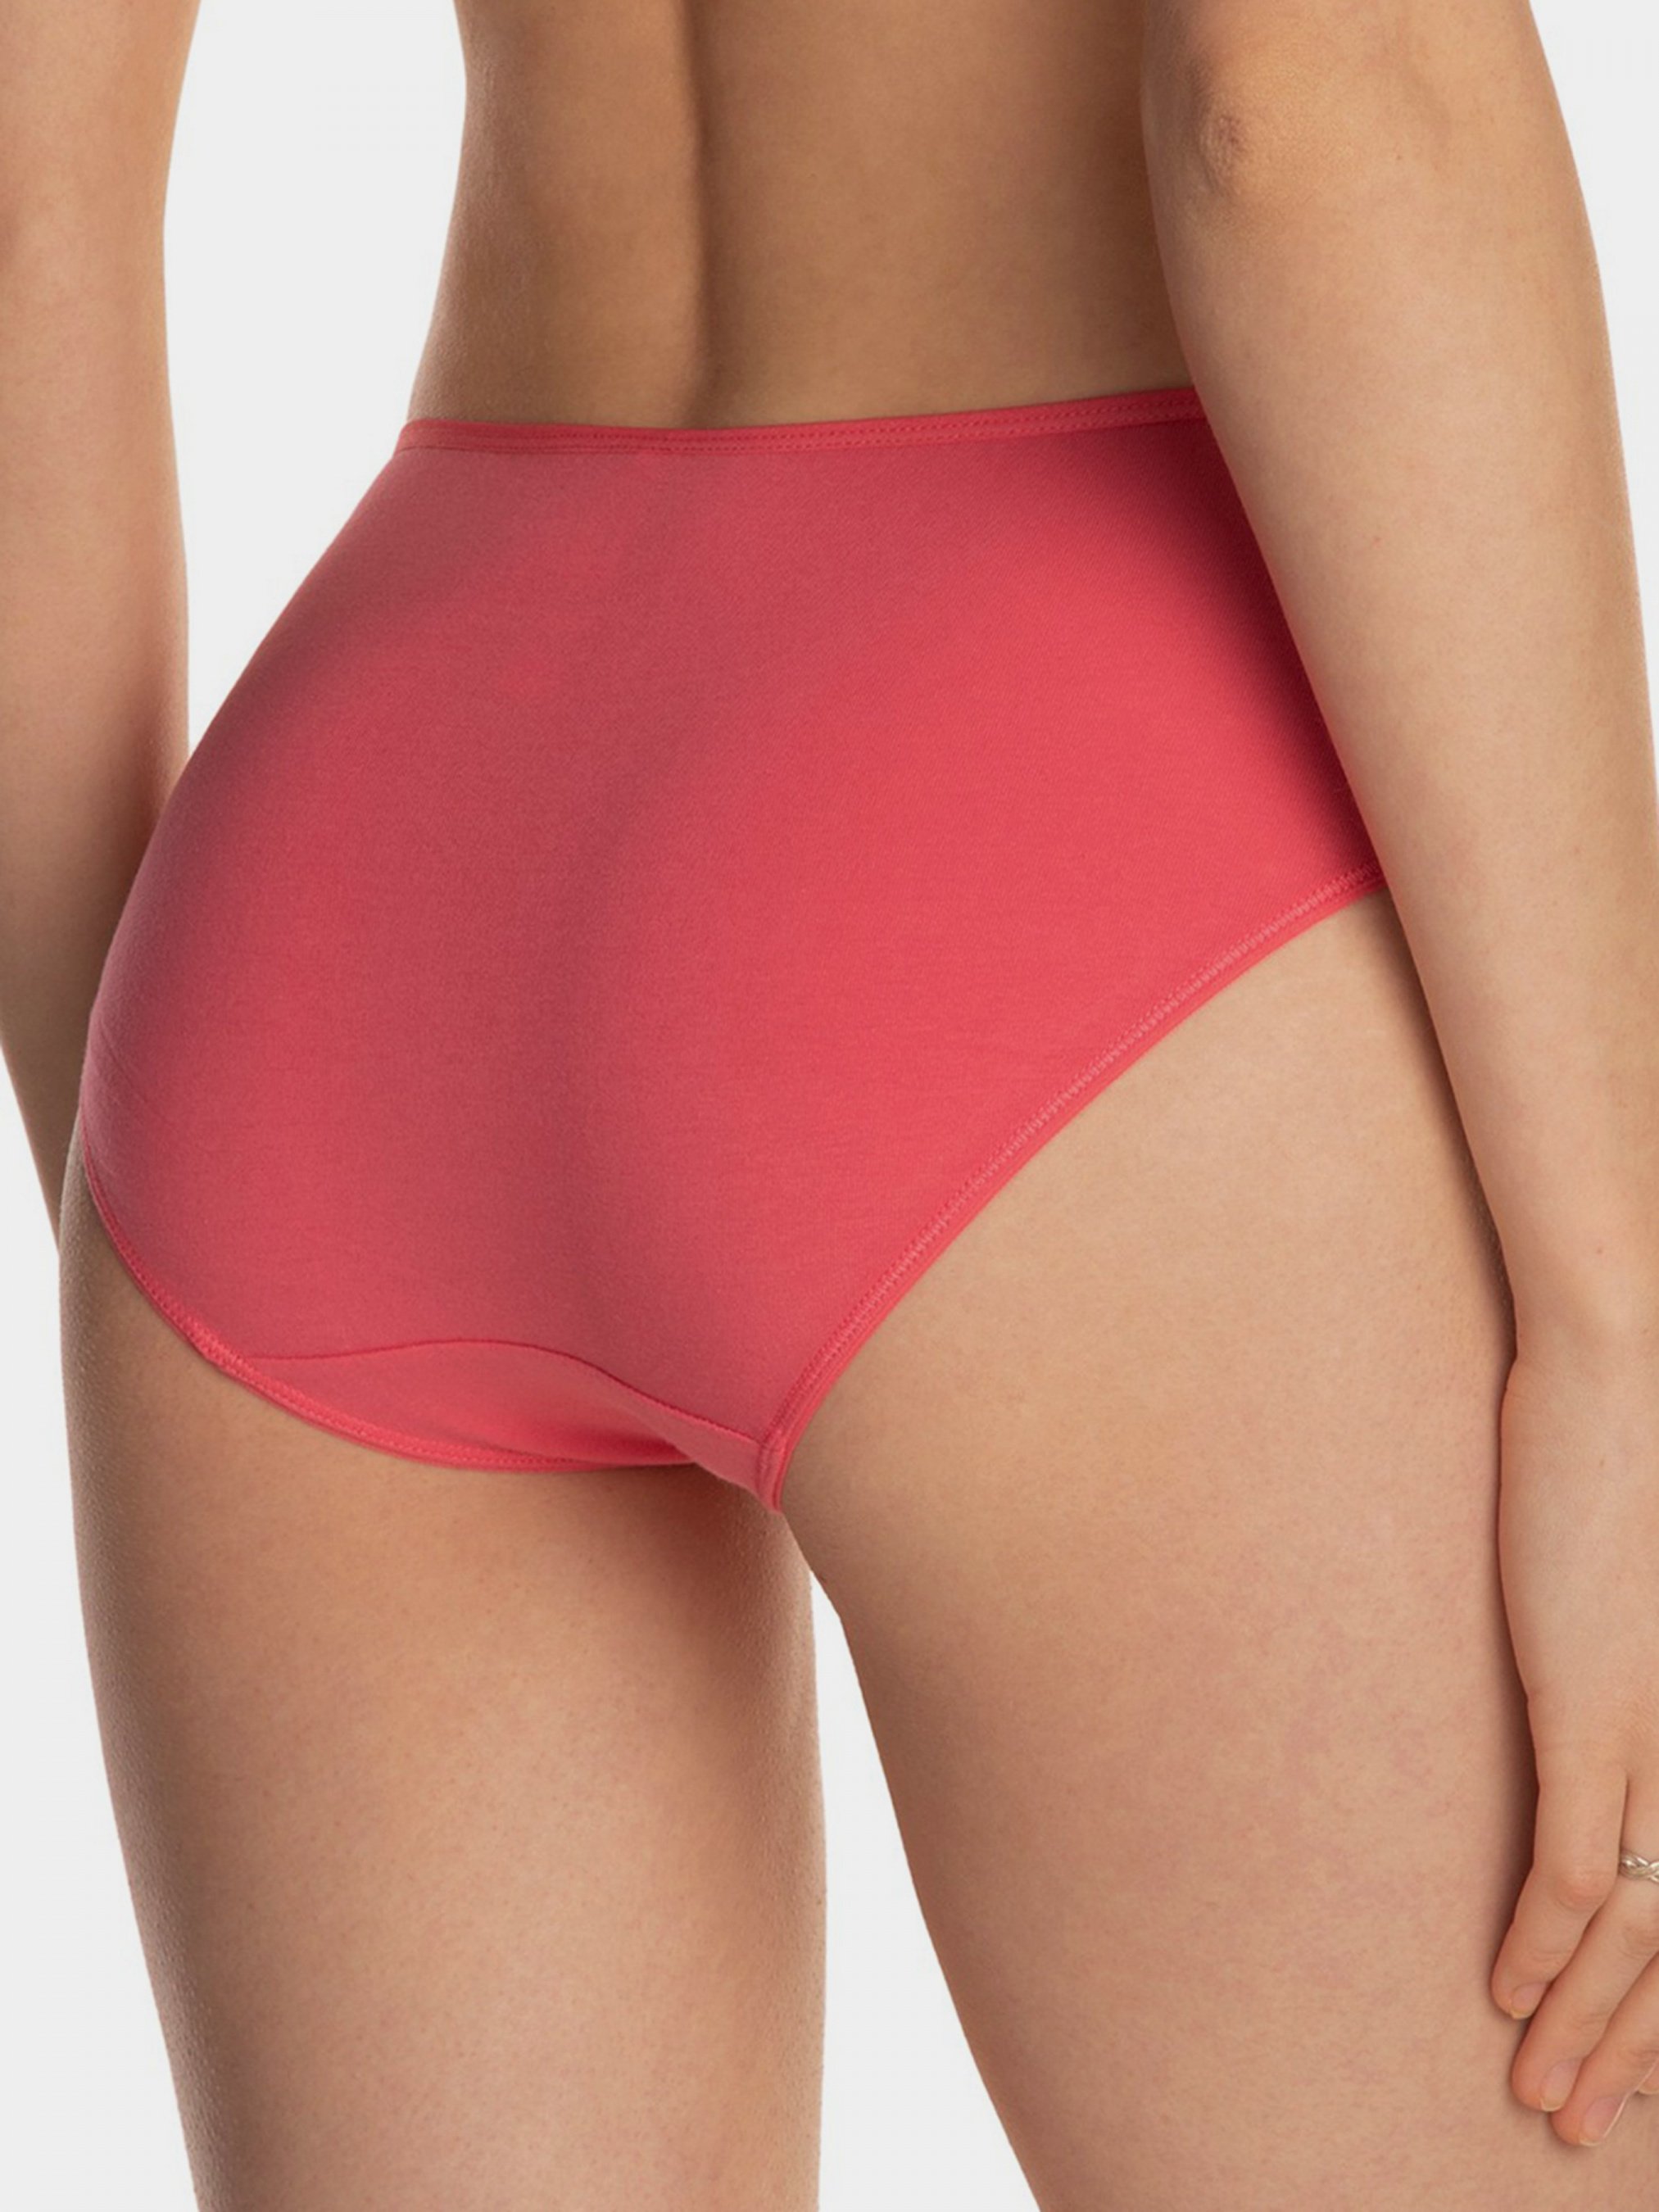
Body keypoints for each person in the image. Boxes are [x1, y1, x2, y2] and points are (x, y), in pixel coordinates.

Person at [4, 0, 1657, 2201]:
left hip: (343, 880)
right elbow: (1315, 98)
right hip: (1046, 810)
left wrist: (149, 1170)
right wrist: (1619, 1310)